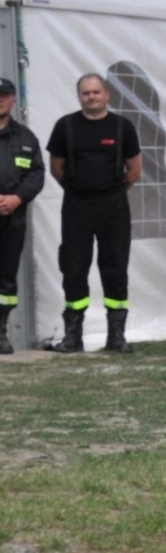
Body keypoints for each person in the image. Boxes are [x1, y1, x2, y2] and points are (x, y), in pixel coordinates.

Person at [45, 73, 141, 354]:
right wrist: (81, 189)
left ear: (107, 94)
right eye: (86, 93)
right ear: (79, 96)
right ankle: (73, 337)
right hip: (76, 205)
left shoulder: (123, 127)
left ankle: (116, 337)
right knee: (73, 268)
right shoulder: (66, 126)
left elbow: (134, 171)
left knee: (115, 268)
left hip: (113, 205)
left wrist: (110, 191)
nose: (92, 97)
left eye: (96, 92)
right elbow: (56, 169)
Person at [0, 77, 44, 354]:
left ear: (13, 99)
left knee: (5, 277)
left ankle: (0, 333)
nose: (0, 99)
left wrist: (17, 198)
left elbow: (37, 174)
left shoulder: (27, 139)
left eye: (4, 95)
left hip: (12, 218)